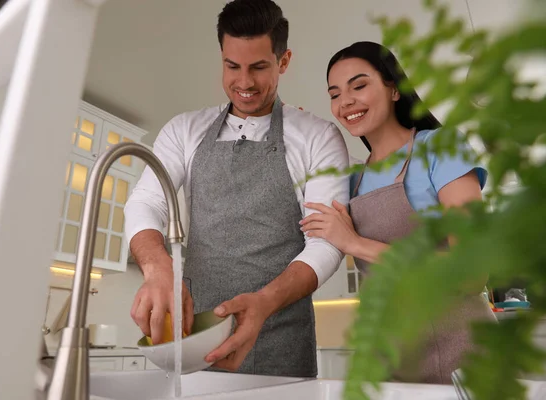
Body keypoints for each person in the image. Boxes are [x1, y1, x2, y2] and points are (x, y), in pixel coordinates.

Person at [123, 0, 350, 378]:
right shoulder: (184, 130)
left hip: (282, 342)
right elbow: (147, 200)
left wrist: (264, 302)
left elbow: (326, 243)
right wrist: (157, 266)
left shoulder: (318, 137)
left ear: (284, 60)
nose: (244, 83)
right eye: (232, 66)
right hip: (196, 341)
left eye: (259, 67)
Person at [300, 41, 497, 384]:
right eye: (334, 94)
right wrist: (295, 135)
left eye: (359, 86)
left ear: (394, 89)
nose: (345, 101)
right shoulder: (351, 180)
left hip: (465, 353)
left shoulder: (439, 148)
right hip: (392, 360)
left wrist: (357, 244)